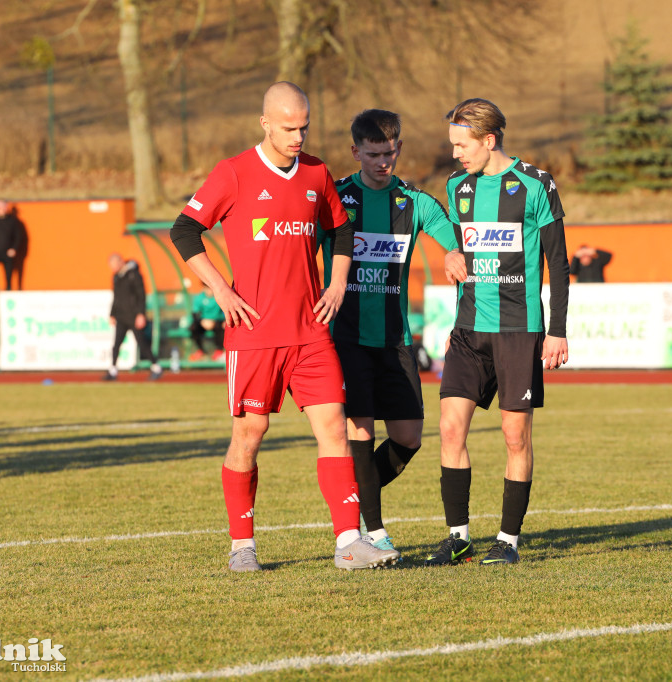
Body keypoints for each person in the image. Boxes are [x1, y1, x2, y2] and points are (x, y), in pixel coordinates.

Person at [168, 81, 399, 572]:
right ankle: (242, 545)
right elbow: (184, 229)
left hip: (311, 333)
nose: (298, 136)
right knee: (250, 433)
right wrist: (219, 289)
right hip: (253, 334)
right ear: (266, 123)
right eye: (289, 128)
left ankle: (348, 542)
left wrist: (337, 284)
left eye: (305, 127)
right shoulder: (232, 173)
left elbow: (341, 229)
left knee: (335, 427)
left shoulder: (317, 172)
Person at [427, 98, 570, 567]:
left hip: (519, 331)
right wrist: (453, 310)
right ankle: (459, 536)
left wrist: (557, 331)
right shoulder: (457, 187)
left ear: (490, 141)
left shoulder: (535, 185)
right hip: (469, 329)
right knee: (450, 428)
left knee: (515, 437)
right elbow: (459, 255)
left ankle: (507, 541)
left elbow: (558, 263)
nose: (455, 154)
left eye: (462, 145)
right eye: (453, 145)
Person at [318, 108, 460, 561]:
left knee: (409, 437)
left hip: (395, 341)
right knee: (359, 430)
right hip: (347, 338)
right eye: (374, 154)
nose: (384, 162)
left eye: (390, 153)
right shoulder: (336, 199)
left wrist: (454, 254)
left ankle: (351, 500)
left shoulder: (415, 202)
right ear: (355, 151)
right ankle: (374, 532)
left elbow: (453, 240)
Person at [105, 252, 164, 381]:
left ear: (120, 262)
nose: (113, 268)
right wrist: (112, 314)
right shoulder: (116, 277)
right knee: (116, 344)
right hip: (121, 317)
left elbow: (141, 296)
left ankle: (156, 367)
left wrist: (140, 315)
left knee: (142, 343)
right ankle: (113, 370)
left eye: (114, 265)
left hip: (133, 316)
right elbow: (116, 297)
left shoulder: (134, 275)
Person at [188, 285, 226, 361]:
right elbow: (195, 313)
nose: (209, 291)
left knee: (221, 327)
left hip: (217, 321)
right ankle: (200, 350)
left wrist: (224, 320)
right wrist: (201, 321)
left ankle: (219, 351)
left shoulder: (220, 297)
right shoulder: (199, 298)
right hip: (204, 322)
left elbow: (224, 311)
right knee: (193, 328)